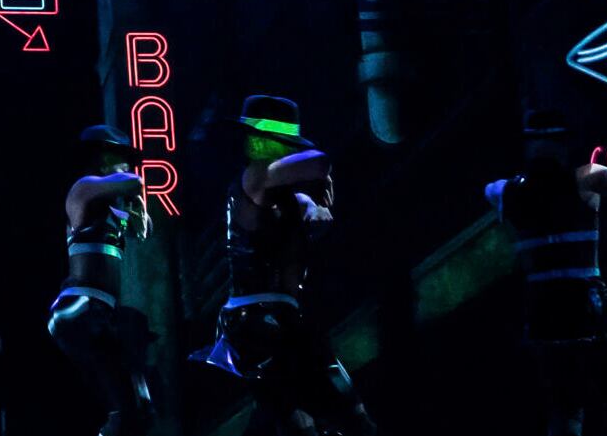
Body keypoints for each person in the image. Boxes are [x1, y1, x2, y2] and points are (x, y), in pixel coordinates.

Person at [196, 95, 377, 435]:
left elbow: (317, 213)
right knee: (316, 418)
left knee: (329, 416)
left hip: (285, 321)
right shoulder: (254, 176)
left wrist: (319, 207)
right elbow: (319, 163)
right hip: (256, 322)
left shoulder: (291, 199)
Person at [484, 109, 607, 436]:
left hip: (544, 311)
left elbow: (490, 189)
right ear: (561, 144)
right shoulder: (585, 178)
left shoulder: (507, 191)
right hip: (588, 308)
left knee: (565, 413)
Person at [48, 125, 155, 436]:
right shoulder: (82, 189)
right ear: (100, 158)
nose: (125, 165)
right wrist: (131, 185)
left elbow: (143, 229)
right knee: (123, 402)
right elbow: (132, 181)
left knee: (136, 401)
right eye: (117, 157)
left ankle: (123, 417)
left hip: (101, 312)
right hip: (80, 308)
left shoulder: (111, 212)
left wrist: (136, 204)